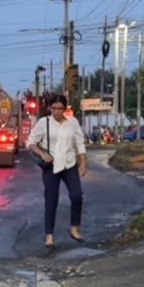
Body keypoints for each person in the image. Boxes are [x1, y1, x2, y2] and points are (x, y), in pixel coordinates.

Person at [26, 94, 88, 249]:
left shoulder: (72, 123)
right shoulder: (44, 122)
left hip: (69, 164)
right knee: (51, 200)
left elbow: (79, 142)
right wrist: (42, 154)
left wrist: (83, 162)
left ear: (65, 108)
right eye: (54, 108)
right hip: (51, 166)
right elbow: (31, 143)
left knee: (77, 195)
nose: (57, 112)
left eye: (61, 108)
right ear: (50, 108)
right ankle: (49, 236)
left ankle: (74, 228)